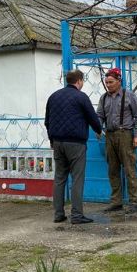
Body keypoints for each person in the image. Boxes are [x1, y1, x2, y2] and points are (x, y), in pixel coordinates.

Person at [44, 69, 102, 224]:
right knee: (77, 178)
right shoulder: (81, 97)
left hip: (57, 143)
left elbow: (47, 121)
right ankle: (76, 215)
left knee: (59, 178)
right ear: (79, 81)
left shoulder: (53, 97)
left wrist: (52, 140)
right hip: (76, 144)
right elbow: (92, 118)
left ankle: (58, 214)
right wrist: (99, 130)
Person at [96, 67, 137, 214]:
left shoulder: (129, 96)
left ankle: (134, 202)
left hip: (126, 135)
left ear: (118, 81)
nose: (108, 85)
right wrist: (98, 128)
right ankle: (116, 202)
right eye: (106, 82)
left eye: (111, 82)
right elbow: (99, 115)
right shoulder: (104, 98)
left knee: (130, 169)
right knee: (113, 170)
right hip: (109, 136)